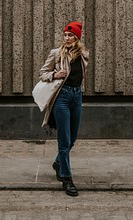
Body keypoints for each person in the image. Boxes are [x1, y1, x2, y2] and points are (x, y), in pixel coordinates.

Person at [39, 21, 89, 197]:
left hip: (77, 96)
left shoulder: (83, 54)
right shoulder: (56, 53)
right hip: (62, 98)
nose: (67, 38)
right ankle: (67, 179)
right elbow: (42, 73)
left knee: (73, 136)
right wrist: (54, 74)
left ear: (77, 38)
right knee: (64, 140)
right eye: (65, 35)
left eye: (70, 36)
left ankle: (58, 163)